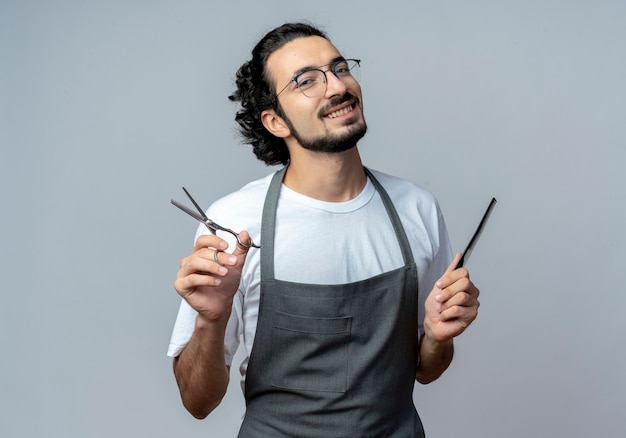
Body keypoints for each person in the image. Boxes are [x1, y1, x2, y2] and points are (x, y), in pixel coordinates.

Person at [167, 22, 480, 437]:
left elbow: (425, 370)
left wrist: (439, 340)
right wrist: (211, 319)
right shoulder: (234, 223)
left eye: (340, 68)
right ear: (275, 122)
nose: (336, 87)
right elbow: (197, 402)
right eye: (307, 81)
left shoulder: (417, 209)